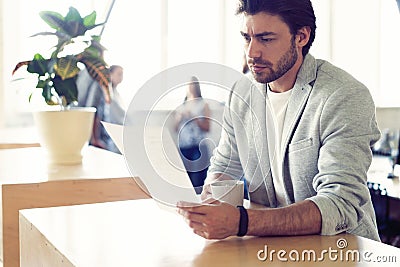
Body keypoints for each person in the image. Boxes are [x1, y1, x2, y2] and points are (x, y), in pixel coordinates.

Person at [177, 0, 381, 242]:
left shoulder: (343, 95)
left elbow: (340, 203)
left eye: (266, 39)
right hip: (268, 249)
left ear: (301, 37)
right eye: (246, 37)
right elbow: (224, 168)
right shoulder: (241, 95)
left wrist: (241, 222)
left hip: (339, 250)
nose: (252, 52)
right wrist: (210, 206)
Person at [174, 76, 211, 193]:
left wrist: (194, 118)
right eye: (188, 85)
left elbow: (207, 127)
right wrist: (180, 117)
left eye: (192, 85)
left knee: (197, 179)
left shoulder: (203, 104)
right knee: (185, 180)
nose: (190, 87)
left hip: (198, 146)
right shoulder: (182, 105)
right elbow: (175, 128)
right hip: (184, 147)